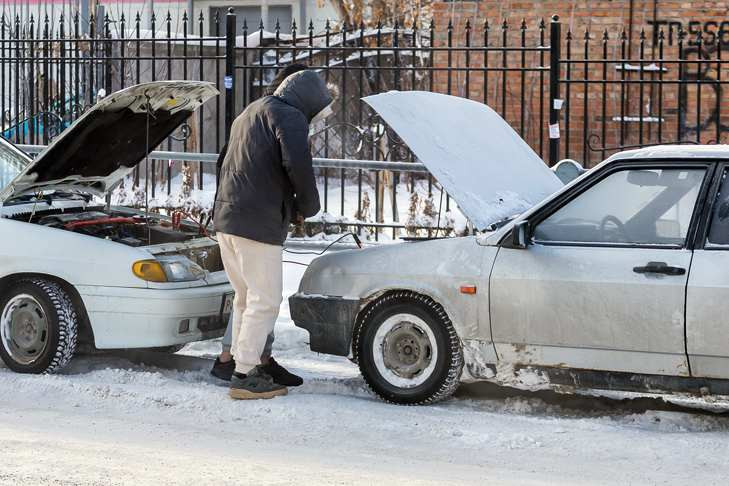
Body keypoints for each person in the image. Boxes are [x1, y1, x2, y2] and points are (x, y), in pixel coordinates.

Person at [214, 70, 333, 400]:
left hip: (228, 220)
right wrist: (307, 207)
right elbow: (297, 164)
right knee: (265, 301)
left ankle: (243, 363)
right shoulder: (289, 116)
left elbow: (222, 160)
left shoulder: (251, 111)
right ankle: (245, 373)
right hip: (257, 223)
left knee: (245, 298)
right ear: (307, 101)